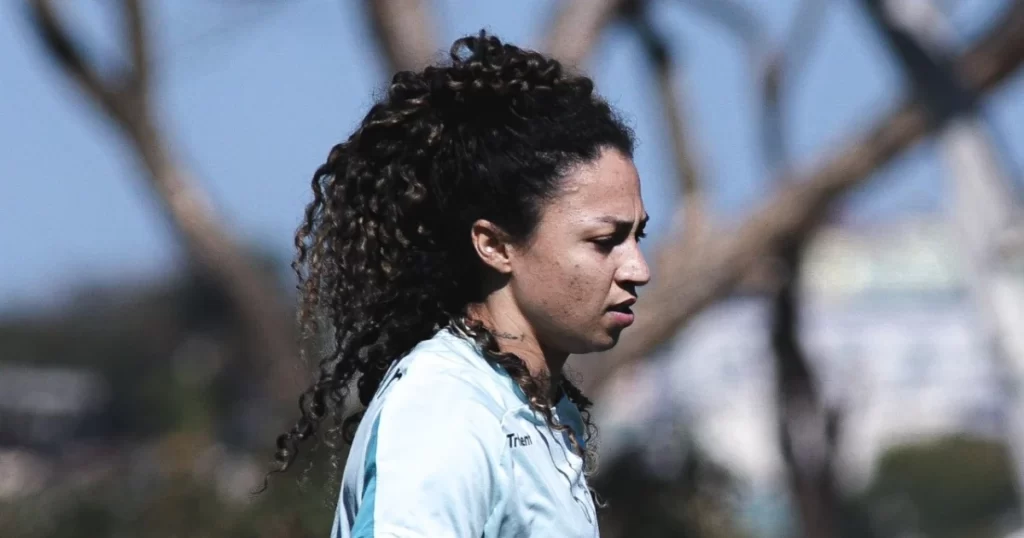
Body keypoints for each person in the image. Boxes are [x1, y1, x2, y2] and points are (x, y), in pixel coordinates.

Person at [272, 30, 650, 537]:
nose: (638, 268)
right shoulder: (445, 407)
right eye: (606, 240)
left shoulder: (536, 409)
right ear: (494, 245)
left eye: (638, 236)